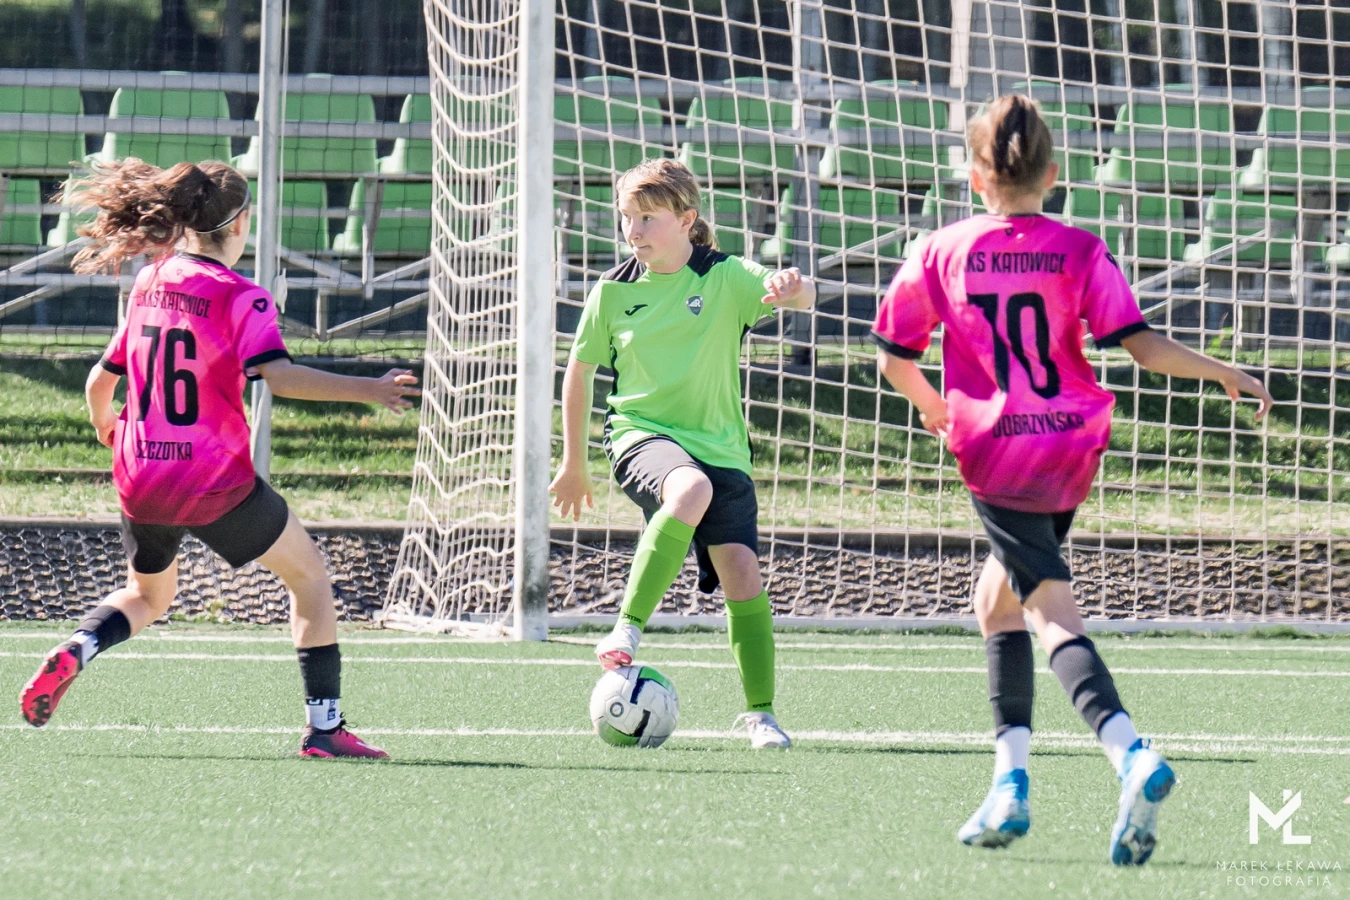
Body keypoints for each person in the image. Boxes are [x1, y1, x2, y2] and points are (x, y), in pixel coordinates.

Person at [871, 96, 1273, 863]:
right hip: (1070, 445)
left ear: (974, 175)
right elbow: (1141, 345)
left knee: (1049, 612)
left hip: (997, 451)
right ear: (1052, 174)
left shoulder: (940, 250)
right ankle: (1009, 784)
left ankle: (1130, 754)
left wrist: (934, 409)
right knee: (996, 601)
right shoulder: (1081, 249)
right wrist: (1222, 370)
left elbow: (893, 355)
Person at [19, 159, 421, 759]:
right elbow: (279, 377)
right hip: (211, 480)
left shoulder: (151, 280)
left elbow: (99, 384)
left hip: (140, 471)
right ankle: (325, 728)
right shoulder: (242, 297)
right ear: (240, 223)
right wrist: (371, 388)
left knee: (148, 596)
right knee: (310, 578)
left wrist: (107, 427)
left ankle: (80, 646)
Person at [550, 158, 815, 749]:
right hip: (640, 433)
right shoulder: (613, 290)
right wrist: (573, 462)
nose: (634, 230)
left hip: (720, 446)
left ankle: (762, 715)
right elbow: (580, 372)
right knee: (690, 489)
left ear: (687, 219)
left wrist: (793, 288)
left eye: (648, 218)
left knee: (742, 573)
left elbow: (799, 296)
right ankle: (626, 629)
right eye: (627, 217)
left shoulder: (725, 276)